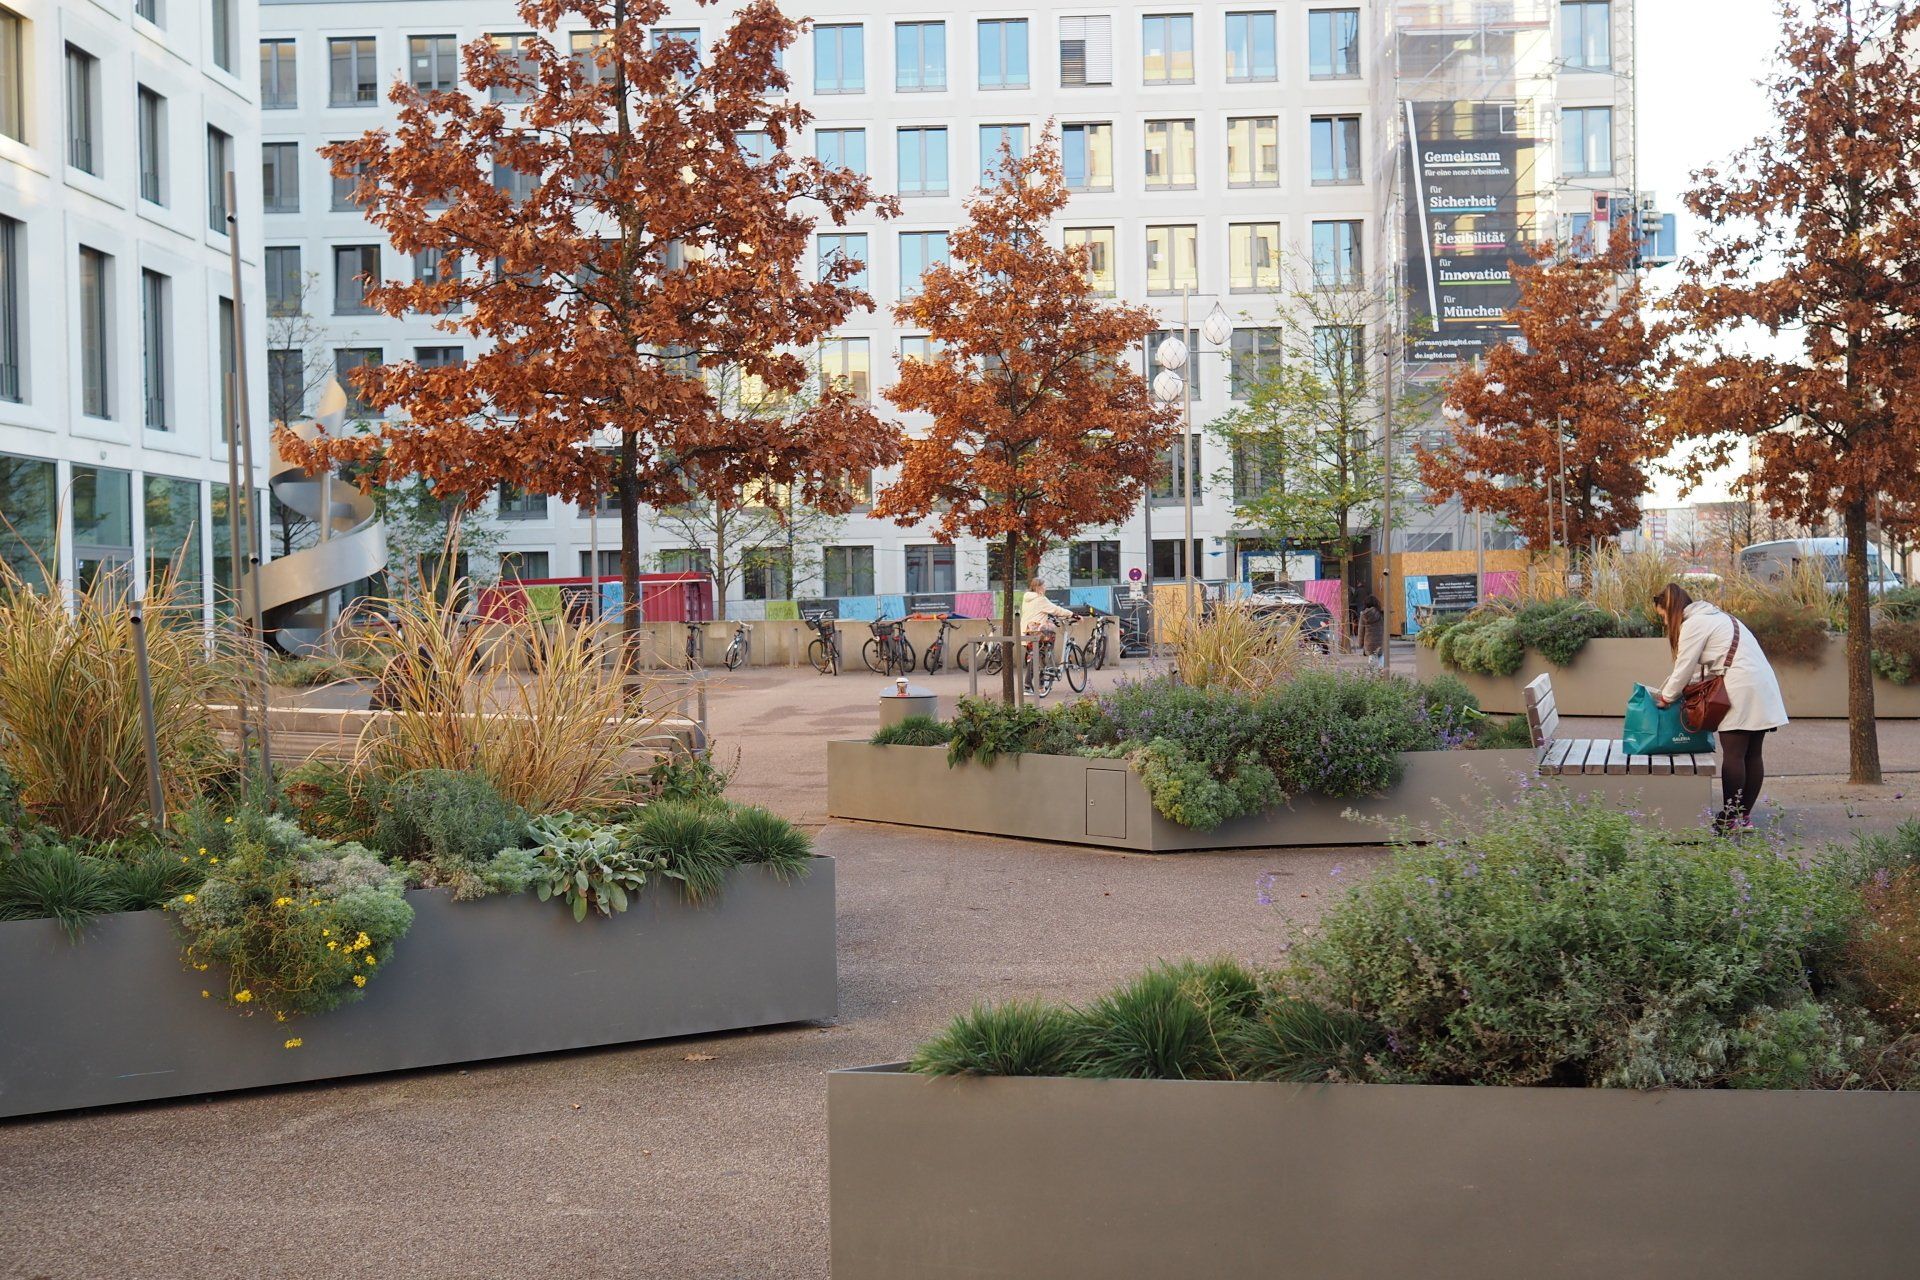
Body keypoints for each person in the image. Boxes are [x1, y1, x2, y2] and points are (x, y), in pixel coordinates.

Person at [1649, 583, 1788, 833]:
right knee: (1753, 754)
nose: (1666, 624)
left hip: (1740, 686)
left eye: (1663, 617)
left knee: (1734, 754)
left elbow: (1685, 667)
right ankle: (1742, 818)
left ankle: (1728, 820)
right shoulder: (1720, 617)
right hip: (1762, 682)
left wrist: (1667, 697)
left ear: (1671, 609)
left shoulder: (1694, 623)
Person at [1020, 577, 1076, 688]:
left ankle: (1040, 684)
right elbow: (1056, 609)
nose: (1046, 588)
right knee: (1042, 653)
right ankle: (1028, 685)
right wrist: (1073, 615)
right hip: (1038, 633)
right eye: (1044, 586)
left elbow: (1036, 612)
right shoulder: (1041, 599)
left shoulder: (1027, 598)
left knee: (1038, 657)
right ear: (1039, 588)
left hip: (1026, 632)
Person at [1358, 595, 1386, 668]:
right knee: (1381, 656)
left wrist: (1360, 644)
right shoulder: (1381, 613)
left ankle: (1371, 674)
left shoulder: (1363, 615)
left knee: (1371, 657)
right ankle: (1382, 672)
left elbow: (1361, 630)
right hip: (1380, 640)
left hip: (1369, 641)